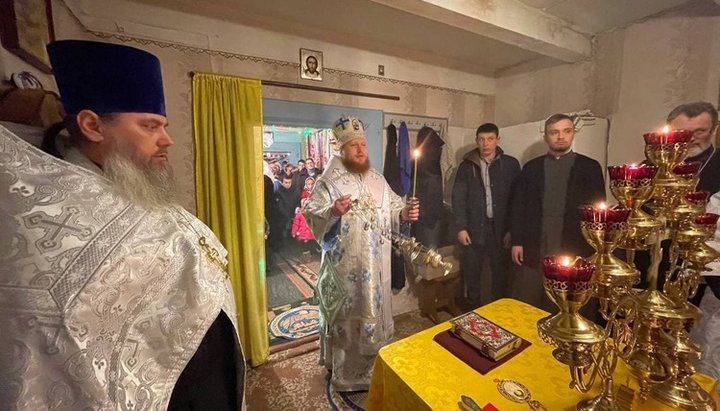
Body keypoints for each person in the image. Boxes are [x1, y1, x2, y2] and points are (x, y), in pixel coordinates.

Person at [0, 40, 244, 409]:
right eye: (150, 126)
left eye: (162, 125)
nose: (167, 139)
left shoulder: (129, 181)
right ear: (92, 125)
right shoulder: (46, 214)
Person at [303, 116, 419, 391]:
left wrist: (403, 212)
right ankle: (345, 375)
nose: (360, 150)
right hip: (345, 270)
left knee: (374, 312)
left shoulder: (377, 178)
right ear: (341, 149)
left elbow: (392, 209)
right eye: (353, 145)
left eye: (363, 144)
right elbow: (311, 213)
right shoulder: (328, 181)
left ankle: (373, 369)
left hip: (377, 266)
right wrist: (332, 211)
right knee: (348, 317)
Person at [510, 113, 605, 310]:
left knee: (565, 295)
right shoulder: (531, 168)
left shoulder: (590, 167)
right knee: (530, 293)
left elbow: (598, 212)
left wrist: (596, 246)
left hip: (573, 238)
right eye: (554, 132)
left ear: (573, 134)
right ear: (546, 136)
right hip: (536, 237)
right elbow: (519, 206)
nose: (560, 137)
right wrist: (517, 241)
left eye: (566, 131)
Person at [452, 123, 520, 309]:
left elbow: (517, 200)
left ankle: (498, 311)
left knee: (500, 272)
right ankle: (471, 311)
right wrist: (461, 227)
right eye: (481, 139)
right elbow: (458, 198)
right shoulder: (467, 166)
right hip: (474, 228)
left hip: (500, 229)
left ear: (498, 140)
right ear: (476, 141)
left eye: (490, 139)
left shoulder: (511, 165)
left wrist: (512, 231)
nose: (486, 144)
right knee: (472, 271)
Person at [667, 101, 720, 195]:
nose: (690, 139)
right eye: (681, 133)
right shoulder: (656, 165)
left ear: (714, 130)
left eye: (699, 132)